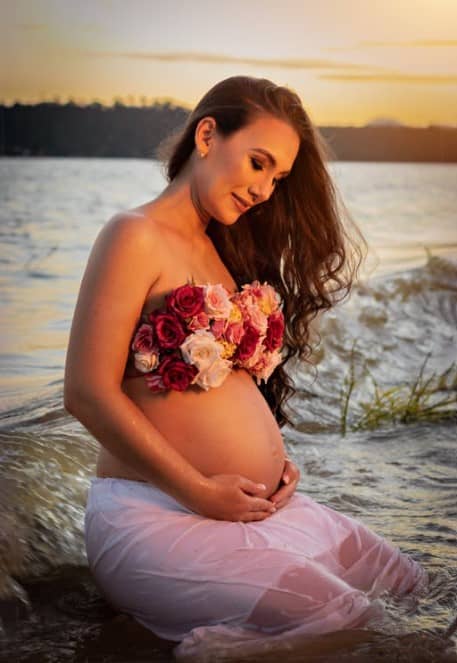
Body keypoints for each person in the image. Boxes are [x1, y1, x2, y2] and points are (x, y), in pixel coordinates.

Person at [64, 75, 428, 655]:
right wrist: (199, 491)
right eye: (258, 163)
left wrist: (272, 462)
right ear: (208, 135)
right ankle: (216, 651)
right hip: (154, 516)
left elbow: (221, 395)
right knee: (343, 616)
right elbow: (86, 392)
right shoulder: (133, 235)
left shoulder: (222, 251)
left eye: (277, 178)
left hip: (242, 512)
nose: (264, 190)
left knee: (410, 587)